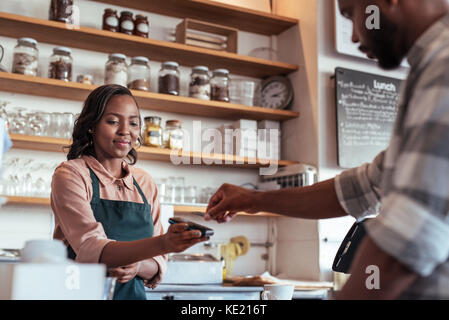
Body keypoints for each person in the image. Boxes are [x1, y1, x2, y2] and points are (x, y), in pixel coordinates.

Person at [205, 0, 449, 300]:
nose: (355, 37)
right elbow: (363, 187)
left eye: (350, 13)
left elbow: (404, 244)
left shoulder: (443, 68)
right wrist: (252, 199)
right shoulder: (429, 69)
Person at [51, 84, 208, 300]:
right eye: (113, 121)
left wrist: (137, 265)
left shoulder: (144, 181)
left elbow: (158, 263)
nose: (126, 131)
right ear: (91, 126)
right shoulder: (71, 174)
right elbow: (90, 247)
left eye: (134, 123)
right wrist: (163, 243)